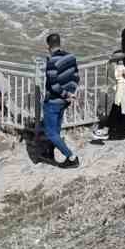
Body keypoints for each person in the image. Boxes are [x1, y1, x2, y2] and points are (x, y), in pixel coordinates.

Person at [41, 33, 82, 164]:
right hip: (64, 102)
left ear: (48, 46)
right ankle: (49, 152)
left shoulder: (52, 62)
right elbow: (76, 77)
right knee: (56, 129)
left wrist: (66, 95)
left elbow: (54, 86)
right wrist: (71, 93)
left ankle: (71, 157)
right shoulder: (70, 57)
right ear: (60, 43)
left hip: (53, 101)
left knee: (50, 132)